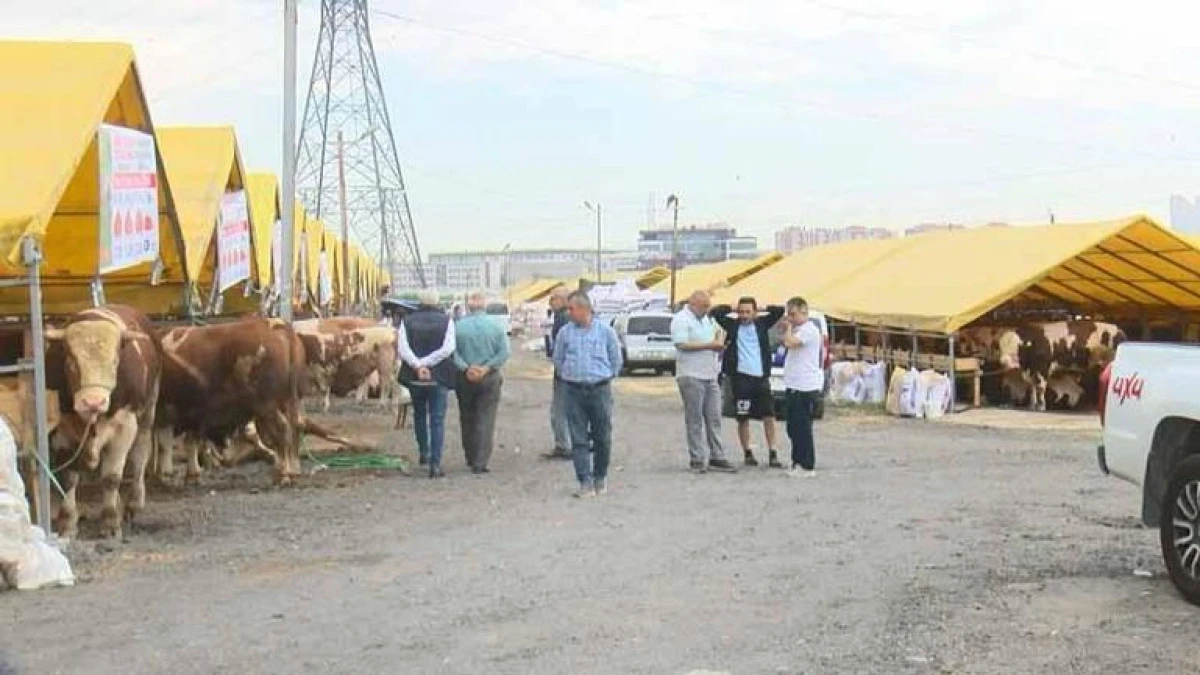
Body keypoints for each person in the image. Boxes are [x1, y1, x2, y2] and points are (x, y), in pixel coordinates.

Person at [552, 291, 622, 497]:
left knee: (602, 437)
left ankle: (600, 476)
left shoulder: (605, 332)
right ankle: (584, 481)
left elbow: (616, 359)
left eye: (572, 309)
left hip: (599, 389)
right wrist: (569, 375)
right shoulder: (565, 333)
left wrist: (605, 376)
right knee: (578, 438)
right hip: (573, 390)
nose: (569, 312)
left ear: (584, 309)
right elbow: (558, 359)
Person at [711, 297, 785, 468]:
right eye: (741, 312)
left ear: (754, 312)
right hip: (741, 378)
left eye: (748, 312)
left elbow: (779, 310)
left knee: (769, 416)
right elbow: (716, 312)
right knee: (743, 418)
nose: (744, 315)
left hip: (761, 378)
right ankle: (748, 452)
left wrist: (762, 306)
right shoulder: (732, 325)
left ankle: (773, 452)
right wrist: (732, 306)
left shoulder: (761, 324)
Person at [670, 290, 736, 474]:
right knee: (695, 418)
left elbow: (717, 334)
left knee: (714, 417)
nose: (707, 310)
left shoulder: (708, 319)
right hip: (691, 374)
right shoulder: (681, 319)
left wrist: (719, 344)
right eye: (703, 306)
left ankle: (717, 455)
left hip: (710, 373)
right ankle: (697, 458)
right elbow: (681, 344)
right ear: (693, 304)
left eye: (708, 306)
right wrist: (709, 346)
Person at [397, 289, 457, 478]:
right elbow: (448, 348)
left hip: (415, 377)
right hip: (438, 375)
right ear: (438, 301)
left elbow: (402, 348)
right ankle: (435, 464)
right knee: (437, 419)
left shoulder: (407, 321)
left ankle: (424, 451)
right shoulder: (447, 321)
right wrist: (429, 363)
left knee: (419, 414)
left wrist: (418, 365)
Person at [779, 296, 823, 477]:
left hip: (805, 386)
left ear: (804, 312)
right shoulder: (798, 330)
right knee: (793, 427)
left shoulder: (809, 330)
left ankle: (806, 465)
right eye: (788, 314)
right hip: (793, 384)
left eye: (793, 314)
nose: (790, 318)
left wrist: (788, 329)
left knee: (802, 427)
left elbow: (790, 342)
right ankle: (796, 461)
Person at [543, 287, 573, 460]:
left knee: (559, 410)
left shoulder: (563, 319)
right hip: (567, 370)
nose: (550, 302)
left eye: (553, 298)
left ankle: (564, 445)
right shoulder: (562, 318)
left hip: (564, 372)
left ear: (563, 300)